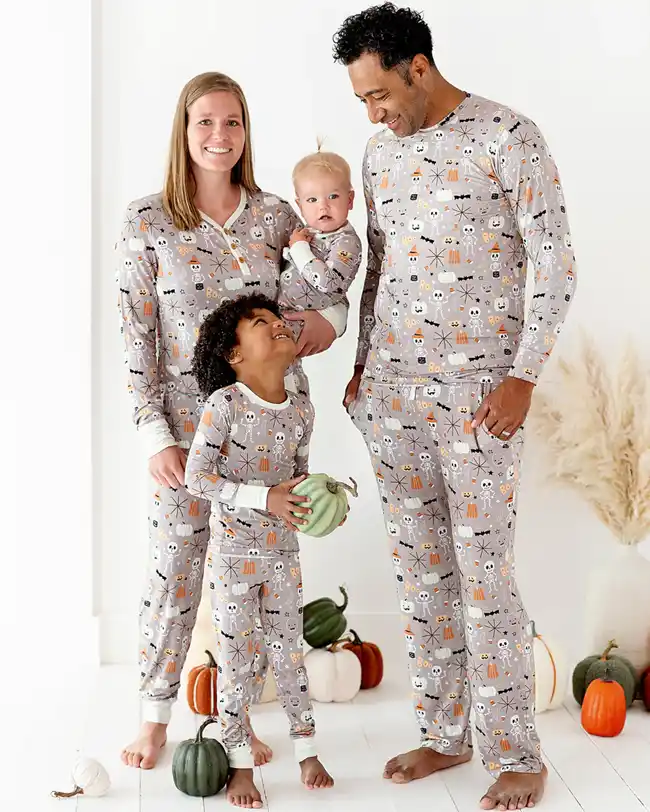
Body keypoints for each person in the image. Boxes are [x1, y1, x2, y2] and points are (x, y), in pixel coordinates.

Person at [333, 4, 577, 810]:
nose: (371, 113)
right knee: (420, 577)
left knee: (484, 579)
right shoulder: (377, 155)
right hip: (392, 400)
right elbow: (383, 269)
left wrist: (524, 375)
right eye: (361, 100)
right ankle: (445, 734)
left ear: (418, 67)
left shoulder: (510, 137)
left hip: (480, 403)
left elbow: (556, 261)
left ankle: (517, 753)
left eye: (377, 94)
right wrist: (363, 365)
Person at [116, 71, 348, 770]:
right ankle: (154, 717)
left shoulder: (280, 215)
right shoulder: (148, 220)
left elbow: (327, 292)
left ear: (247, 133)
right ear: (184, 132)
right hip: (187, 434)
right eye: (206, 123)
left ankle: (238, 725)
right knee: (175, 569)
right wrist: (154, 434)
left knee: (254, 582)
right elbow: (135, 334)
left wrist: (327, 326)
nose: (220, 136)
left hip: (268, 430)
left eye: (233, 123)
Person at [185, 292, 335, 807]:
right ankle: (239, 764)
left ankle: (307, 748)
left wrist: (320, 499)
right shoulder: (223, 405)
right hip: (232, 559)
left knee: (289, 654)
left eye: (277, 318)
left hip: (283, 555)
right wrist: (263, 498)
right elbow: (195, 477)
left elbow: (298, 478)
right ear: (234, 355)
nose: (275, 325)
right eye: (259, 322)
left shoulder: (302, 411)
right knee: (236, 660)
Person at [278, 143, 362, 336]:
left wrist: (299, 249)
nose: (323, 207)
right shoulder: (306, 232)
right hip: (281, 312)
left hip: (303, 321)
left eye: (333, 196)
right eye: (312, 200)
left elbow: (328, 283)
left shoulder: (346, 242)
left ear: (349, 200)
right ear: (299, 205)